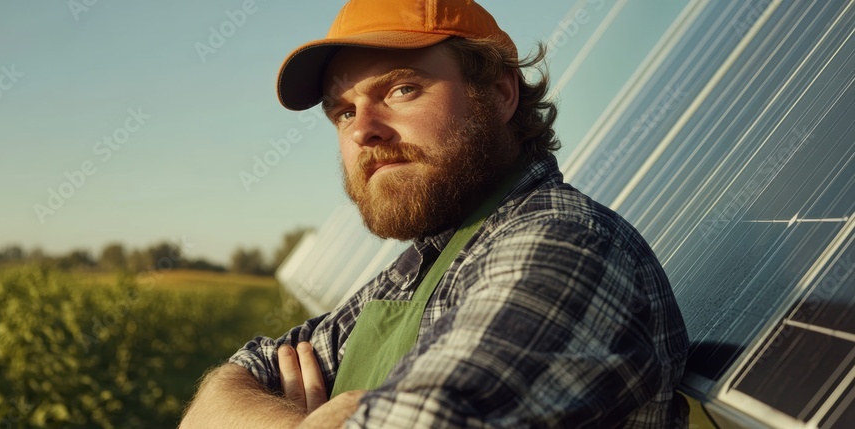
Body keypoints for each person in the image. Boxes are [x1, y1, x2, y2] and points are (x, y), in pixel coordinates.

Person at [181, 0, 689, 427]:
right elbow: (226, 388)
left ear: (500, 93)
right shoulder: (418, 268)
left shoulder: (563, 247)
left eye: (401, 90)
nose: (364, 131)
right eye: (344, 112)